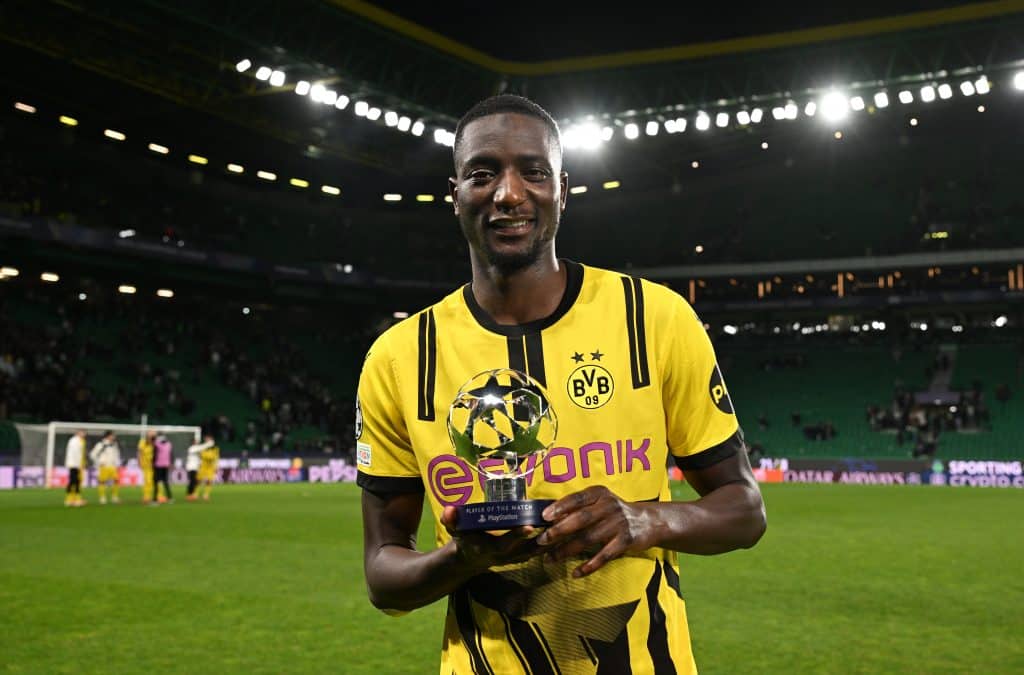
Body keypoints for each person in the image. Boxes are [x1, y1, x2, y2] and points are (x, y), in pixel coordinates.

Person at [356, 94, 766, 674]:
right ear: (455, 196)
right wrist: (462, 559)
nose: (508, 193)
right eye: (482, 173)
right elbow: (383, 576)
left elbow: (745, 509)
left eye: (533, 171)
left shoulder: (654, 318)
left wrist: (644, 519)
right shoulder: (400, 359)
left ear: (562, 191)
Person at [89, 430, 122, 504]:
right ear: (108, 436)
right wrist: (99, 462)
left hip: (113, 466)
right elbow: (92, 454)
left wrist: (117, 463)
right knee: (102, 482)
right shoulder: (101, 444)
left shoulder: (114, 444)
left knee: (116, 480)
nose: (114, 437)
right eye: (112, 435)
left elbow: (117, 455)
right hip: (104, 466)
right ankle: (102, 498)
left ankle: (114, 497)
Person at [185, 435, 215, 501]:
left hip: (195, 468)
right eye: (195, 442)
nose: (197, 442)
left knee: (194, 482)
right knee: (193, 482)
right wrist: (209, 443)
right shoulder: (192, 448)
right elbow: (201, 447)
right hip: (191, 468)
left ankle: (192, 494)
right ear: (193, 442)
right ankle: (189, 495)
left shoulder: (196, 449)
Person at [64, 430, 87, 507]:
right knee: (74, 481)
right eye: (82, 432)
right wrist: (79, 464)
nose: (84, 434)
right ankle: (71, 500)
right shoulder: (74, 441)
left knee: (76, 481)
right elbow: (75, 453)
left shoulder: (80, 441)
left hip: (76, 464)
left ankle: (74, 499)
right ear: (77, 433)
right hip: (74, 464)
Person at [197, 435, 220, 501]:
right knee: (199, 480)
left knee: (209, 480)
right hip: (203, 466)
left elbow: (216, 458)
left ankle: (206, 494)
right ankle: (196, 493)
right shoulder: (202, 447)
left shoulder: (216, 448)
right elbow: (201, 456)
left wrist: (216, 466)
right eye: (207, 440)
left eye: (209, 440)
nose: (208, 441)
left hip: (211, 467)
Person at [152, 432, 173, 504]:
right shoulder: (169, 444)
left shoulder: (156, 444)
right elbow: (171, 454)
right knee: (165, 482)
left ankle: (155, 500)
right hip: (166, 465)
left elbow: (154, 455)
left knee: (156, 482)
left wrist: (153, 464)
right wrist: (170, 463)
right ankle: (170, 498)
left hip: (158, 465)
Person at [137, 430, 156, 503]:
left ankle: (156, 496)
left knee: (154, 481)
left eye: (153, 434)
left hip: (154, 465)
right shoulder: (143, 442)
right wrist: (139, 461)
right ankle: (146, 496)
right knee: (148, 481)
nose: (153, 435)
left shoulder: (155, 442)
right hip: (146, 465)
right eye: (151, 434)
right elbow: (140, 452)